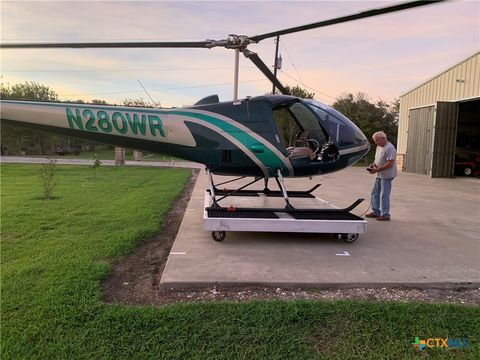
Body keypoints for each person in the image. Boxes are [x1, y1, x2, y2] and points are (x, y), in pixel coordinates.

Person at [366, 131, 397, 221]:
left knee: (384, 195)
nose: (376, 142)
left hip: (387, 175)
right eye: (375, 141)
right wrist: (373, 165)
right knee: (374, 193)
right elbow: (377, 159)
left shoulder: (390, 148)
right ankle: (376, 211)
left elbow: (390, 164)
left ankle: (386, 214)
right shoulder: (379, 147)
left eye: (377, 140)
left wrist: (377, 170)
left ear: (384, 138)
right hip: (379, 174)